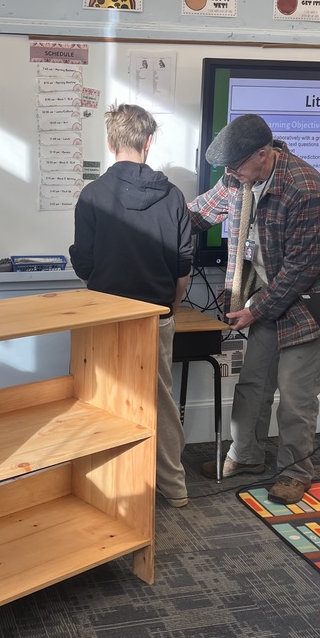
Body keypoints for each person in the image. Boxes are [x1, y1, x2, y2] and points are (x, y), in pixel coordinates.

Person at [188, 113, 320, 505]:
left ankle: (295, 472)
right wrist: (151, 213)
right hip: (269, 299)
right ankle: (246, 458)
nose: (230, 174)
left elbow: (301, 270)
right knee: (254, 385)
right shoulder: (237, 178)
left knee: (296, 397)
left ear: (264, 154)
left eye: (237, 166)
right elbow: (197, 213)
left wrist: (256, 308)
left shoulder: (304, 188)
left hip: (314, 305)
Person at [69, 103, 193, 507]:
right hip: (156, 317)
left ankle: (111, 487)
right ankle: (173, 486)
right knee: (159, 397)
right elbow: (182, 269)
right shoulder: (174, 198)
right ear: (149, 141)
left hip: (105, 315)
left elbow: (84, 265)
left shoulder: (91, 195)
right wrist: (169, 309)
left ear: (110, 143)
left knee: (102, 400)